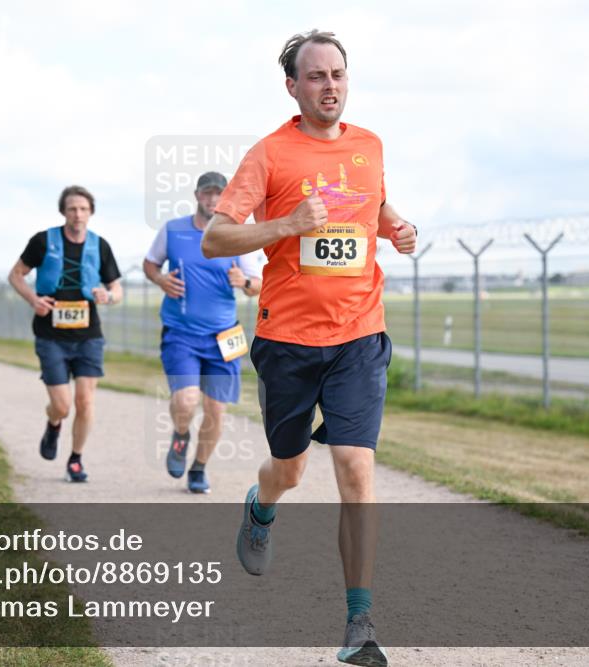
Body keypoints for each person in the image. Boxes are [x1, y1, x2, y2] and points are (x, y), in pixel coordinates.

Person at [200, 30, 417, 667]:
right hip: (287, 338)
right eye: (316, 76)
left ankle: (360, 623)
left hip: (358, 332)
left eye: (339, 75)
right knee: (289, 469)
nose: (330, 86)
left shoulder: (369, 145)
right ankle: (260, 506)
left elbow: (371, 209)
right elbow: (217, 238)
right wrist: (288, 225)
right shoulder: (270, 154)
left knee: (355, 466)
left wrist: (398, 227)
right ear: (293, 86)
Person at [143, 171, 262, 493]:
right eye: (207, 193)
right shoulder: (173, 230)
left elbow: (258, 285)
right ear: (197, 195)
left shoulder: (236, 235)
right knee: (186, 401)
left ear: (227, 198)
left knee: (215, 410)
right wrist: (160, 280)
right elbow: (150, 263)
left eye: (219, 194)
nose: (213, 199)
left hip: (224, 336)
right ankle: (181, 434)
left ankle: (198, 469)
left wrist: (245, 283)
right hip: (181, 333)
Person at [8, 185, 122, 483]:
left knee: (85, 401)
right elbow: (15, 274)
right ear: (63, 212)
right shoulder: (43, 240)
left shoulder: (100, 246)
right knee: (62, 404)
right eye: (72, 208)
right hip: (51, 335)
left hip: (89, 335)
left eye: (83, 209)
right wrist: (33, 299)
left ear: (91, 212)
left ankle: (75, 459)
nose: (78, 214)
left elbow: (117, 288)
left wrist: (107, 297)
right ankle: (54, 422)